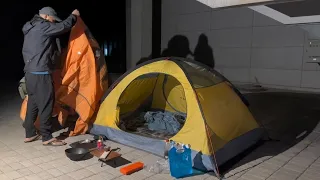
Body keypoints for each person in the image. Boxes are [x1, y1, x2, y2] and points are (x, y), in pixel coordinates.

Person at [22, 7, 80, 146]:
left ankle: (29, 134)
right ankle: (47, 137)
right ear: (47, 16)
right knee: (46, 104)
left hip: (29, 73)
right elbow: (63, 26)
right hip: (41, 73)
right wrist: (73, 16)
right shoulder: (43, 26)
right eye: (53, 19)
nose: (53, 22)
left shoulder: (30, 26)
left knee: (33, 103)